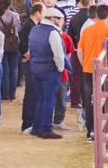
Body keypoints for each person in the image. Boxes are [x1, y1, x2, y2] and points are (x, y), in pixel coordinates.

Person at [78, 4, 108, 142]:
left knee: (89, 101)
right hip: (103, 71)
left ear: (96, 15)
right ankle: (103, 130)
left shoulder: (88, 30)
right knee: (103, 99)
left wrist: (84, 64)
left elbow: (80, 50)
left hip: (88, 69)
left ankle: (90, 132)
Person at [29, 8, 65, 139]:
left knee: (41, 98)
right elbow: (58, 55)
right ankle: (46, 128)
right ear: (53, 18)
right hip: (49, 70)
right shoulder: (53, 33)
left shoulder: (35, 29)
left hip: (36, 67)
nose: (60, 22)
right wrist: (60, 69)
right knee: (49, 100)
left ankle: (37, 127)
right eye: (59, 19)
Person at [19, 3, 46, 133]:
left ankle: (30, 122)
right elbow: (24, 46)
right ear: (37, 13)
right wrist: (30, 55)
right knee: (31, 93)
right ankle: (27, 123)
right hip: (30, 63)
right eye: (43, 12)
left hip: (31, 63)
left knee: (33, 93)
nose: (44, 15)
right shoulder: (29, 26)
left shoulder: (31, 25)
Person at [67, 0, 95, 109]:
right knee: (88, 76)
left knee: (76, 77)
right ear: (89, 3)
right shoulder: (92, 18)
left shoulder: (74, 17)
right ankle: (86, 101)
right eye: (93, 2)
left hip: (76, 49)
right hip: (90, 50)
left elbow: (69, 35)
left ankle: (74, 101)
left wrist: (74, 47)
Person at [0, 0, 21, 101]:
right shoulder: (15, 15)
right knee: (13, 70)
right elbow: (18, 29)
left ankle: (5, 94)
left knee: (5, 70)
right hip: (14, 44)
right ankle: (12, 94)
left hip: (2, 45)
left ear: (0, 4)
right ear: (10, 4)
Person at [53, 16, 75, 131]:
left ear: (63, 22)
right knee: (51, 98)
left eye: (59, 19)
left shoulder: (66, 38)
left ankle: (58, 120)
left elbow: (69, 55)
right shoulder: (64, 37)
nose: (57, 21)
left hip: (62, 74)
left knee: (61, 98)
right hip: (55, 73)